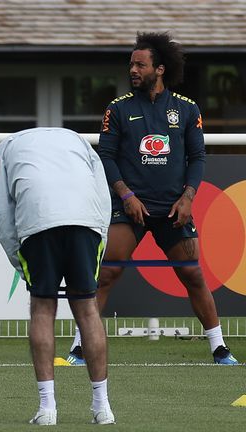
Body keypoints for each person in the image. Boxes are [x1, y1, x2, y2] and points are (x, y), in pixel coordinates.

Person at [66, 32, 239, 366]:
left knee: (192, 274)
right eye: (131, 64)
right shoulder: (118, 109)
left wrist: (188, 198)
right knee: (105, 274)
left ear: (159, 69)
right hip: (130, 208)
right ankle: (79, 347)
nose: (133, 69)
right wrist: (126, 195)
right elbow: (107, 157)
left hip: (173, 208)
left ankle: (219, 348)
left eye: (140, 64)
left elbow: (198, 158)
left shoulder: (187, 110)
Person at [0, 127, 115, 425]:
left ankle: (47, 409)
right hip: (86, 221)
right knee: (87, 309)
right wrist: (100, 242)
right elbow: (103, 195)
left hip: (38, 221)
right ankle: (103, 408)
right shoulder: (78, 141)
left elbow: (2, 212)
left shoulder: (4, 149)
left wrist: (18, 259)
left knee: (43, 308)